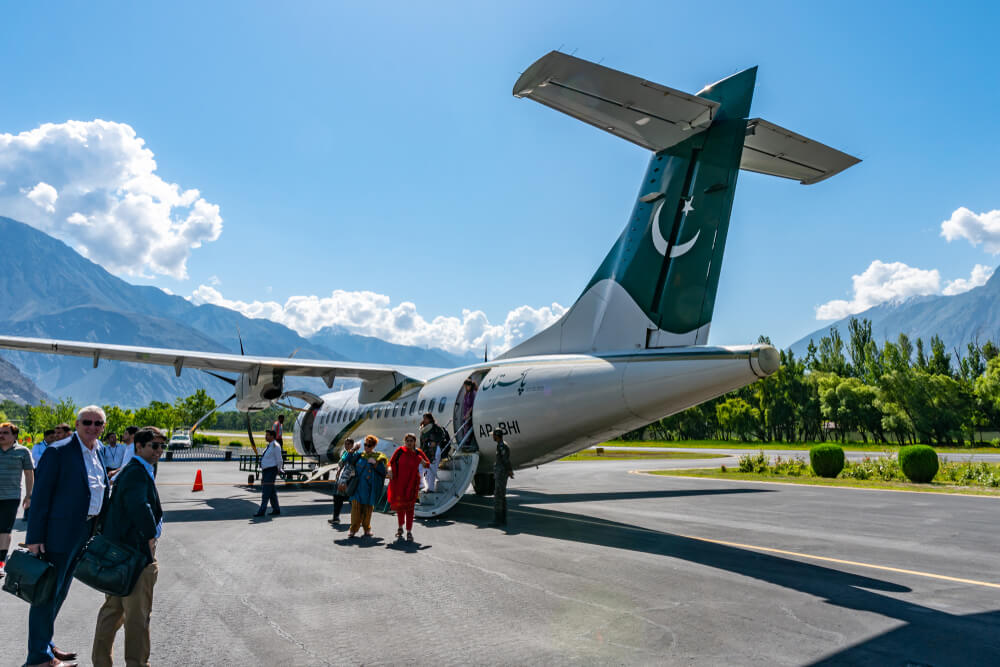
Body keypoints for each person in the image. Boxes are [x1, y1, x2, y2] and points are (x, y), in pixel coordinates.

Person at [25, 405, 110, 667]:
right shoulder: (58, 452)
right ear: (77, 423)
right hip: (58, 534)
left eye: (98, 424)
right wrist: (35, 536)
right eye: (87, 422)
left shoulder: (99, 452)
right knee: (47, 594)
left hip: (85, 531)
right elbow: (40, 497)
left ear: (103, 428)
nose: (92, 427)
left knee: (60, 591)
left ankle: (45, 644)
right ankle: (38, 657)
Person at [92, 426, 165, 667]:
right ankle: (137, 663)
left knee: (112, 611)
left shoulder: (132, 470)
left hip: (118, 554)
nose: (159, 451)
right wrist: (151, 538)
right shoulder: (137, 472)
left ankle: (101, 661)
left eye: (161, 446)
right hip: (134, 556)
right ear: (139, 447)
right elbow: (139, 507)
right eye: (154, 446)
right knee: (137, 616)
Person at [0, 422, 34, 578]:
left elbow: (28, 474)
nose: (1, 435)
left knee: (5, 530)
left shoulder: (23, 452)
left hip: (11, 497)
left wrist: (29, 495)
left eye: (5, 432)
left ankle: (1, 562)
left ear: (14, 436)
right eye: (0, 432)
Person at [387, 433, 430, 542]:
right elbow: (390, 463)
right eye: (408, 441)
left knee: (410, 508)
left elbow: (427, 464)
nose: (409, 443)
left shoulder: (418, 452)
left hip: (412, 483)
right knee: (401, 507)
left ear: (415, 442)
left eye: (411, 441)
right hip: (399, 483)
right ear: (404, 441)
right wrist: (390, 471)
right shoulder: (400, 451)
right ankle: (400, 527)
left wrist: (421, 460)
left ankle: (409, 531)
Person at [346, 435, 388, 538]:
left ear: (373, 446)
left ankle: (366, 529)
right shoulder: (359, 455)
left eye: (369, 445)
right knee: (355, 509)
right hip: (358, 487)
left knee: (367, 510)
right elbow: (348, 459)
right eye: (365, 445)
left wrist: (376, 464)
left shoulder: (378, 457)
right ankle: (353, 529)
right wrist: (353, 449)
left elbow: (383, 472)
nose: (366, 447)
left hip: (370, 488)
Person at [253, 429, 283, 517]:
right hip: (266, 471)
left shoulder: (275, 446)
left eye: (267, 435)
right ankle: (276, 509)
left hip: (271, 471)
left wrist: (279, 469)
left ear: (272, 436)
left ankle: (261, 511)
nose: (265, 436)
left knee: (265, 492)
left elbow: (279, 459)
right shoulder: (270, 446)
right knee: (271, 492)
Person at [488, 429, 514, 528]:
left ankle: (498, 520)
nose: (492, 437)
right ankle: (502, 519)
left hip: (501, 474)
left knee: (498, 496)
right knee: (501, 496)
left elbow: (505, 460)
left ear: (497, 436)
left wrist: (509, 470)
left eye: (493, 435)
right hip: (501, 473)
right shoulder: (501, 445)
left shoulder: (502, 446)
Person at [328, 438, 357, 525]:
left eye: (348, 444)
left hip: (349, 479)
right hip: (341, 479)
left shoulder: (353, 454)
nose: (346, 446)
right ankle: (335, 518)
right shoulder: (345, 453)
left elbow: (350, 465)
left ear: (352, 445)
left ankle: (358, 519)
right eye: (345, 444)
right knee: (337, 499)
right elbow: (340, 463)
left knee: (352, 500)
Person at [418, 413, 450, 493]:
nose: (424, 420)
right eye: (424, 418)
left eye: (425, 418)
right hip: (425, 451)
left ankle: (430, 488)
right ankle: (422, 485)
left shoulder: (435, 427)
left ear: (430, 419)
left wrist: (435, 442)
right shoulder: (423, 429)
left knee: (431, 468)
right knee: (421, 467)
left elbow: (442, 435)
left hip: (434, 450)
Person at [458, 380, 477, 446]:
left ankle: (469, 443)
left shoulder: (473, 393)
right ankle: (466, 442)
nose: (466, 388)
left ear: (470, 386)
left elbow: (473, 405)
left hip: (470, 416)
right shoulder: (466, 394)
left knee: (470, 430)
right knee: (466, 429)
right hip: (466, 416)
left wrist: (468, 413)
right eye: (465, 386)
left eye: (466, 386)